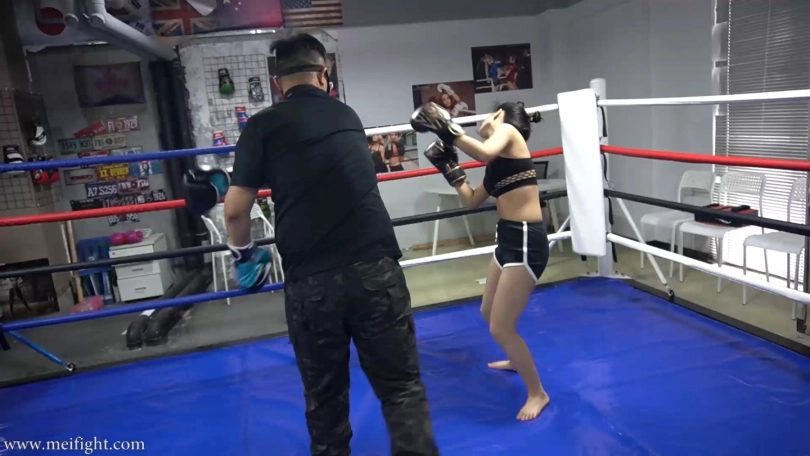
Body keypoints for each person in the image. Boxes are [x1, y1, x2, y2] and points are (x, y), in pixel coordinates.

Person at [188, 33, 440, 456]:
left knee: (325, 400)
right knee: (401, 388)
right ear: (325, 75)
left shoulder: (262, 126)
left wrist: (244, 255)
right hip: (376, 270)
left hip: (312, 283)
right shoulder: (347, 116)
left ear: (276, 82)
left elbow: (234, 212)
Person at [410, 101, 550, 421]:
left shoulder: (509, 131)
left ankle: (537, 393)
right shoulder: (499, 164)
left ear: (499, 115)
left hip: (526, 241)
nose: (482, 121)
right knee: (488, 312)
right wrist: (450, 169)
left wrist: (447, 128)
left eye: (489, 115)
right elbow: (473, 200)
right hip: (508, 239)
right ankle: (515, 359)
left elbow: (484, 152)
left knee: (501, 327)